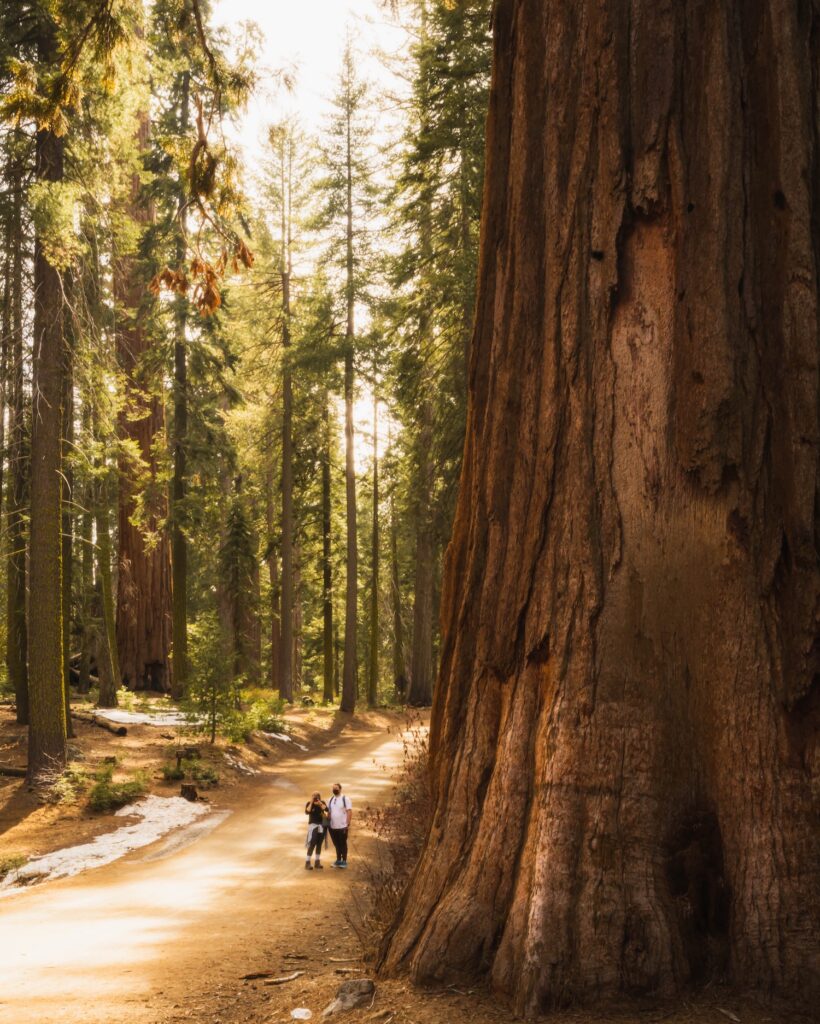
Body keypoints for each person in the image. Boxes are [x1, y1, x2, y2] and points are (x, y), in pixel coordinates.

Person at [327, 782, 352, 868]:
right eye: (333, 788)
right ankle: (338, 860)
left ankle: (344, 861)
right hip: (333, 826)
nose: (335, 790)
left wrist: (347, 823)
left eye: (336, 788)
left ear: (340, 789)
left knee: (343, 843)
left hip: (342, 826)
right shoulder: (330, 799)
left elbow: (349, 811)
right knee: (336, 844)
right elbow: (329, 812)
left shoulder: (345, 799)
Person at [304, 791, 328, 870]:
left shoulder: (322, 803)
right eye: (313, 795)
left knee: (319, 843)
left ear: (319, 797)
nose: (315, 797)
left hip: (321, 825)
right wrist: (311, 802)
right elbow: (307, 811)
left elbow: (326, 810)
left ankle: (317, 862)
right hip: (313, 826)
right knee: (312, 843)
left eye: (317, 796)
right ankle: (307, 862)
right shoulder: (309, 803)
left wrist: (320, 803)